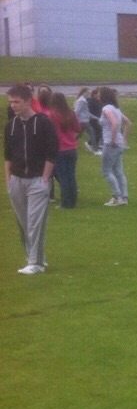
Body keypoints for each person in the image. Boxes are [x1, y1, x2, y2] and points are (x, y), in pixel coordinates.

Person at [4, 83, 58, 274]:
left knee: (35, 221)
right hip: (17, 180)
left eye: (16, 102)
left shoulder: (43, 123)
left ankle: (34, 262)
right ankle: (36, 259)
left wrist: (45, 178)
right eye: (10, 102)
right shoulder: (11, 126)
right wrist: (8, 180)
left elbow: (52, 153)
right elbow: (8, 155)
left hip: (37, 180)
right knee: (23, 222)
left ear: (28, 101)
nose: (12, 105)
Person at [48, 92, 81, 209]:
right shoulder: (71, 113)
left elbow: (49, 132)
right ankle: (73, 200)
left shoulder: (52, 115)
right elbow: (78, 128)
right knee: (71, 175)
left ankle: (65, 202)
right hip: (72, 148)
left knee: (63, 177)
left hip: (59, 149)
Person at [98, 87, 130, 207]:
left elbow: (115, 123)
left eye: (99, 94)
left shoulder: (106, 109)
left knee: (106, 171)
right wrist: (124, 139)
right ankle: (124, 197)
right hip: (119, 144)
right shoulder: (116, 109)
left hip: (111, 144)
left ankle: (117, 196)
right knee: (118, 171)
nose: (98, 96)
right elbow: (128, 122)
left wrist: (112, 139)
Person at [74, 87, 101, 155]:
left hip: (83, 120)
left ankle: (69, 144)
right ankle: (95, 150)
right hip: (83, 121)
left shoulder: (83, 100)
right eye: (87, 93)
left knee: (78, 135)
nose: (89, 94)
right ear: (84, 93)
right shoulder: (82, 101)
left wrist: (96, 118)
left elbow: (86, 112)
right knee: (92, 134)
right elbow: (77, 111)